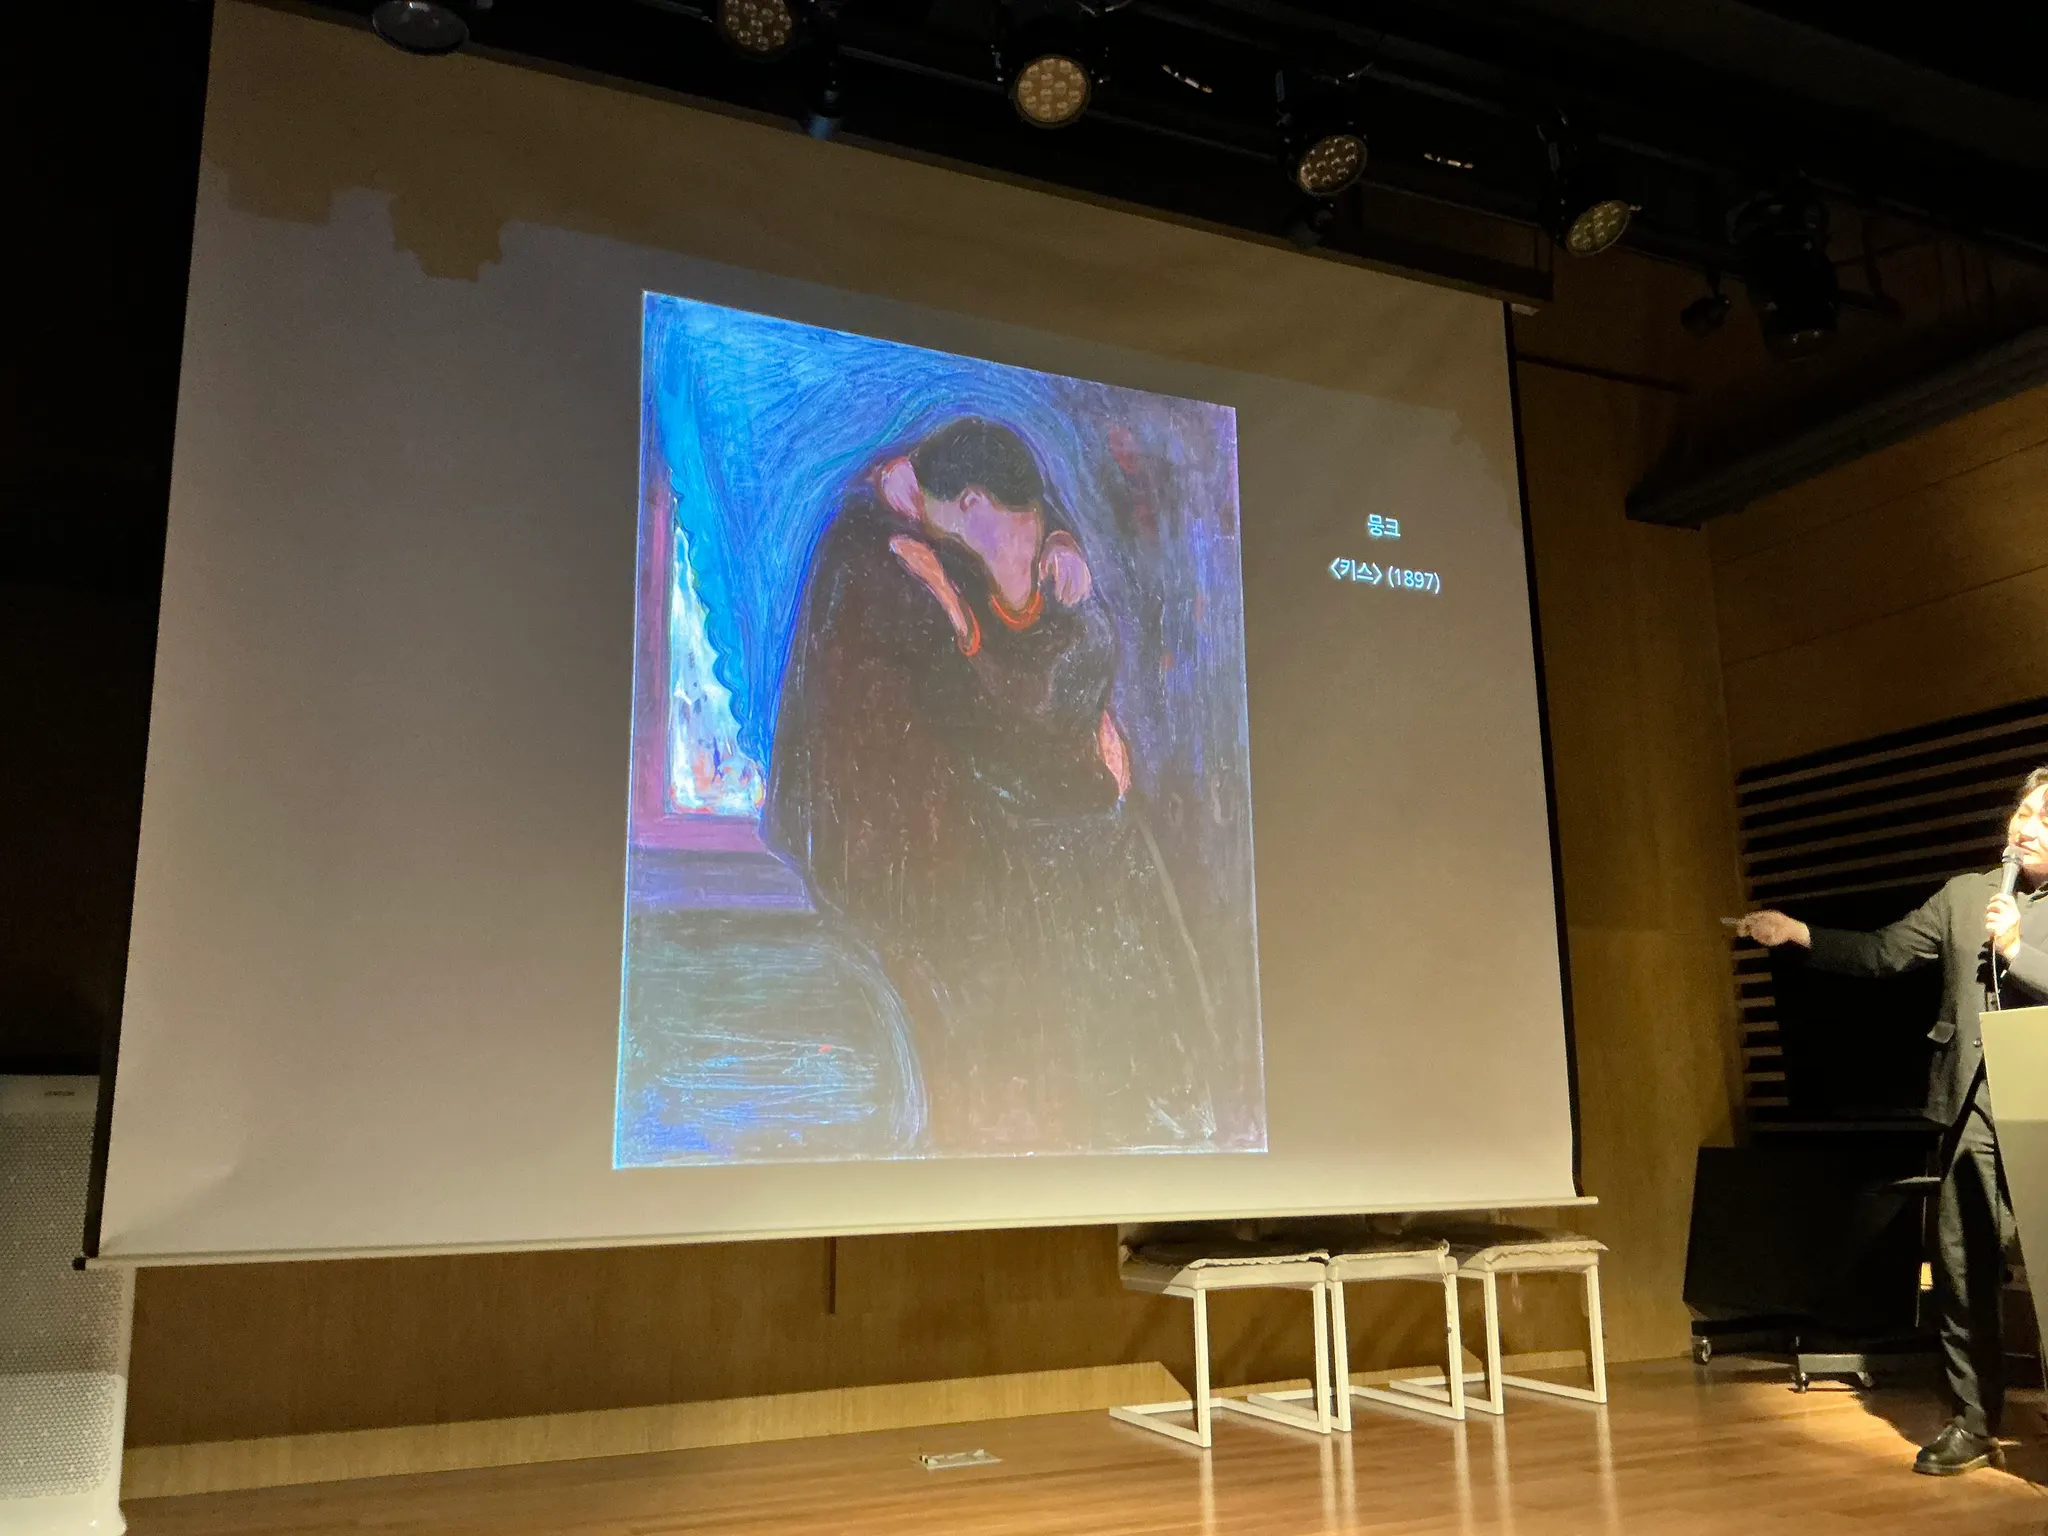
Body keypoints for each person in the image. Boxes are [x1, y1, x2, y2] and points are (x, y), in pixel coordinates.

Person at [764, 417, 1219, 1154]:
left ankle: (1149, 1102)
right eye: (1016, 541)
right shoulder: (888, 564)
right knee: (1066, 892)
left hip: (988, 787)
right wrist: (1083, 761)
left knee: (1107, 868)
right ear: (970, 504)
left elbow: (1027, 551)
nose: (1020, 567)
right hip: (898, 826)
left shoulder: (953, 509)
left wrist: (1062, 546)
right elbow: (983, 720)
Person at [1738, 768, 2048, 1475]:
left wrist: (2016, 951)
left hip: (2045, 1108)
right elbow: (1885, 953)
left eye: (2046, 819)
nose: (2026, 825)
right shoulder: (1967, 895)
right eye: (2024, 811)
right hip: (1972, 1107)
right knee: (1962, 1268)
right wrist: (1798, 933)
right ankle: (1974, 1421)